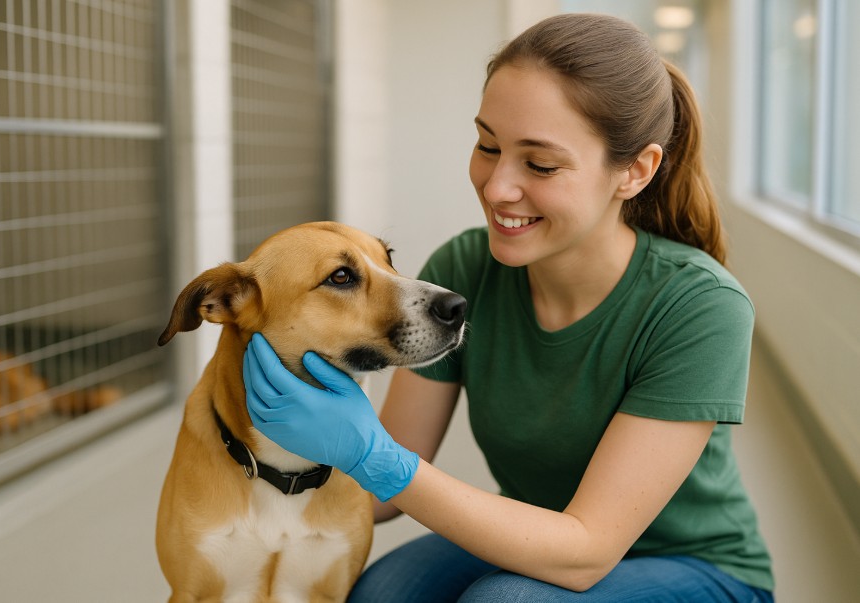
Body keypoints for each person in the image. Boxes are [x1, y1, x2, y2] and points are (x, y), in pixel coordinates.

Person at [243, 12, 774, 602]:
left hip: (694, 566)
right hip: (538, 524)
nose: (496, 187)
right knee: (382, 596)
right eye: (487, 145)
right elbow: (379, 496)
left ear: (635, 171)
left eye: (540, 164)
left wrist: (375, 454)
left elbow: (586, 553)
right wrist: (262, 456)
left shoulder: (700, 307)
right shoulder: (465, 270)